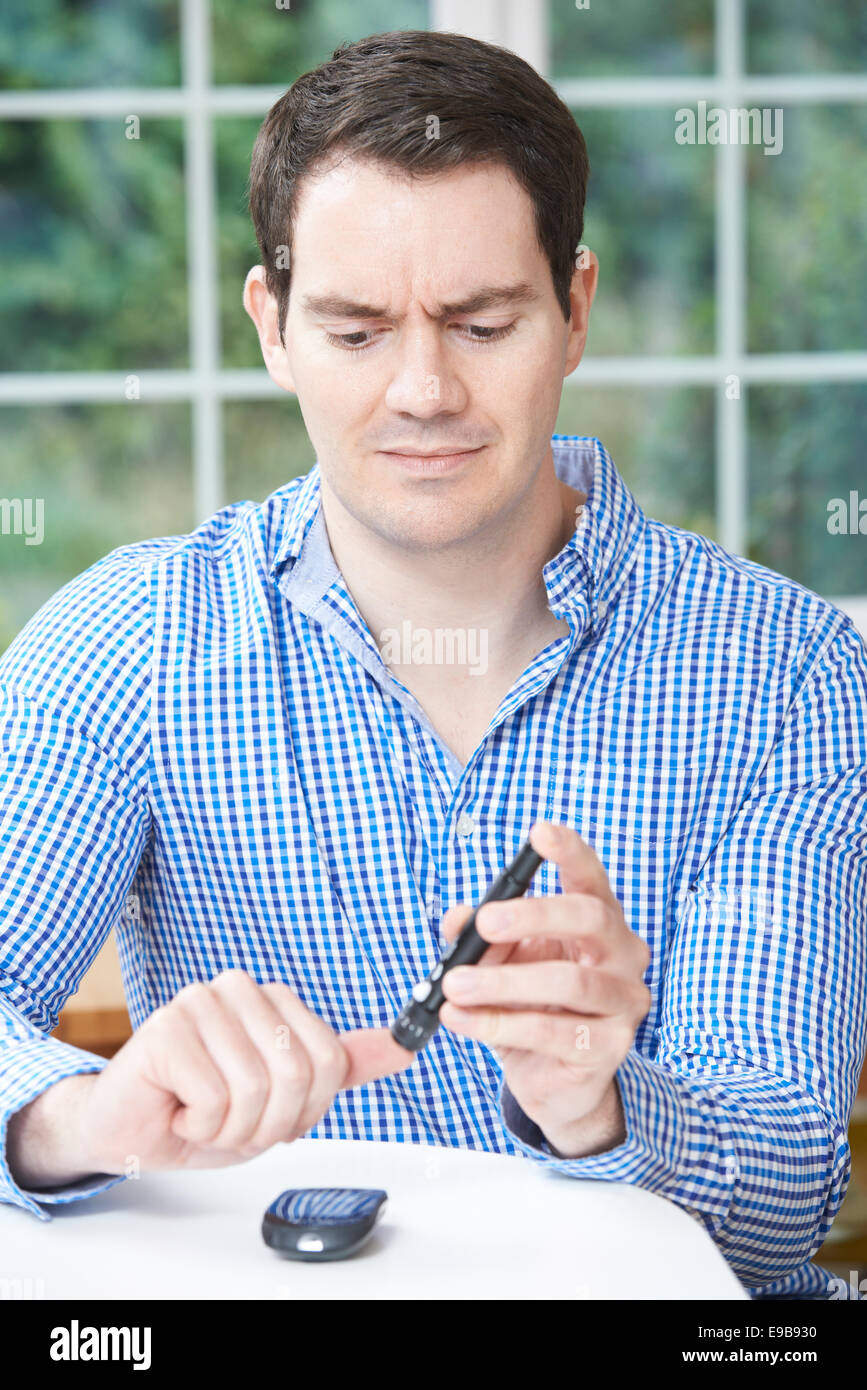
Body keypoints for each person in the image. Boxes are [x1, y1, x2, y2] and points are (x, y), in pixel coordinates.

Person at [2, 29, 865, 1302]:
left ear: (572, 311)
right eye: (355, 331)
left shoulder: (784, 671)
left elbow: (781, 1216)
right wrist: (78, 1118)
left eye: (481, 322)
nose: (422, 389)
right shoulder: (130, 643)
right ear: (273, 326)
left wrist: (596, 1103)